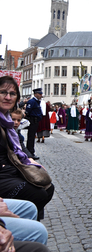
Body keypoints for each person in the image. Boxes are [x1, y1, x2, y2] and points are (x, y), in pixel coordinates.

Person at [0, 76, 54, 219]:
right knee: (38, 194)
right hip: (3, 173)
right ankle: (21, 226)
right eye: (3, 92)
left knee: (48, 187)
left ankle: (28, 222)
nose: (7, 97)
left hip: (12, 168)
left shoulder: (7, 121)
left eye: (12, 94)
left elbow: (19, 145)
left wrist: (30, 159)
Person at [25, 88, 43, 160]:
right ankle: (30, 152)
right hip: (32, 121)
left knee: (32, 137)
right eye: (39, 94)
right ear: (35, 94)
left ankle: (30, 152)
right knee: (31, 137)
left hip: (35, 121)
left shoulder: (37, 101)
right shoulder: (32, 101)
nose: (41, 95)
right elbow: (27, 111)